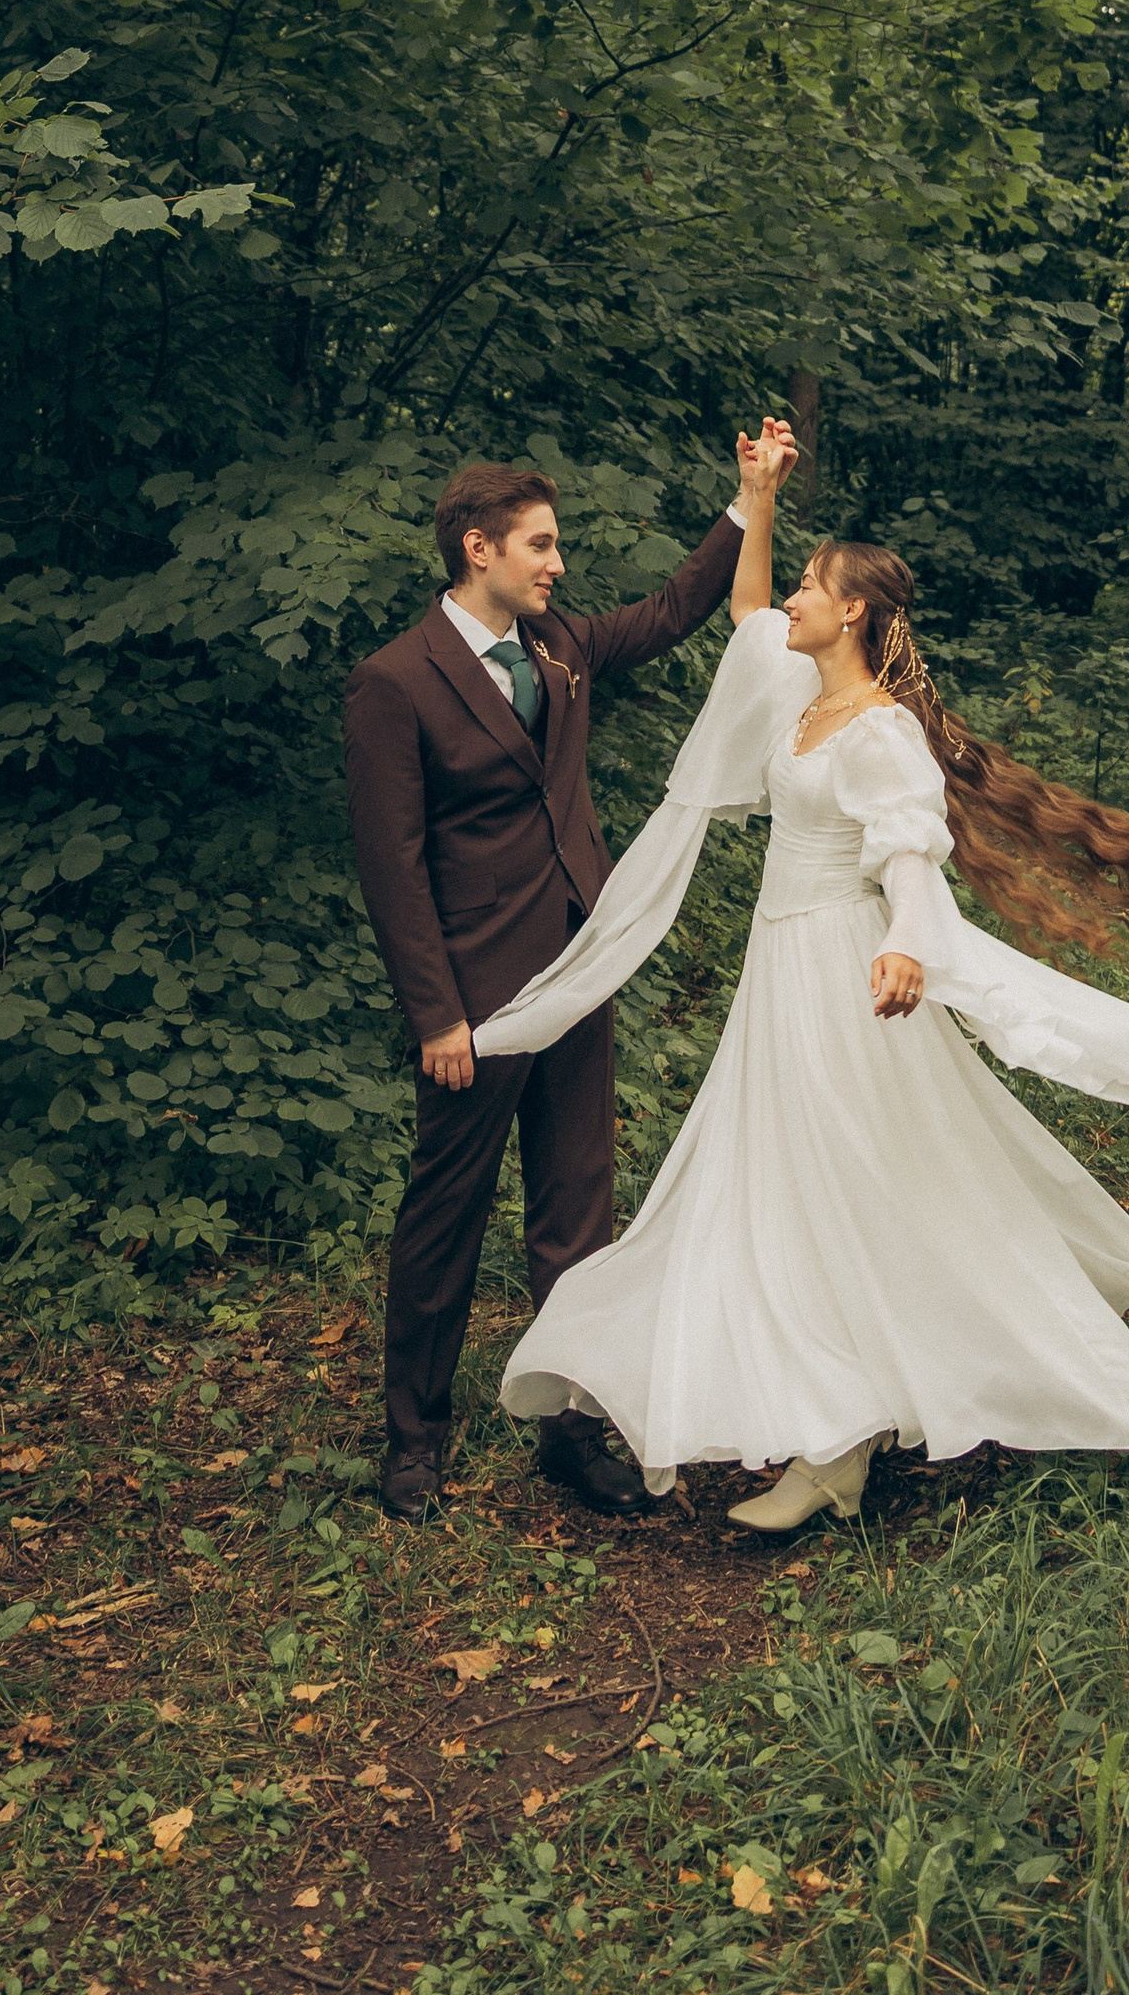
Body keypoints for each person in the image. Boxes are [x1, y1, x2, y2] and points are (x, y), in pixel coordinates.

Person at [471, 541, 1129, 1531]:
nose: (792, 598)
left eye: (810, 587)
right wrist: (761, 501)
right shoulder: (799, 696)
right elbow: (750, 617)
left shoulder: (878, 735)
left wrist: (908, 945)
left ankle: (851, 1440)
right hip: (777, 973)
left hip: (846, 974)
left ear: (856, 614)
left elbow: (908, 858)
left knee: (857, 1180)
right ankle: (832, 1432)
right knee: (779, 1183)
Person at [344, 424, 795, 1523]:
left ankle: (572, 1430)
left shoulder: (558, 648)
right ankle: (414, 1441)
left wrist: (746, 500)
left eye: (555, 548)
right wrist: (437, 1016)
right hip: (478, 1002)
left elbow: (675, 610)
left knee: (575, 1212)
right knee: (445, 1214)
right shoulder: (393, 683)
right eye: (539, 547)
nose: (556, 566)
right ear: (477, 547)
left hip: (580, 965)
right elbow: (392, 868)